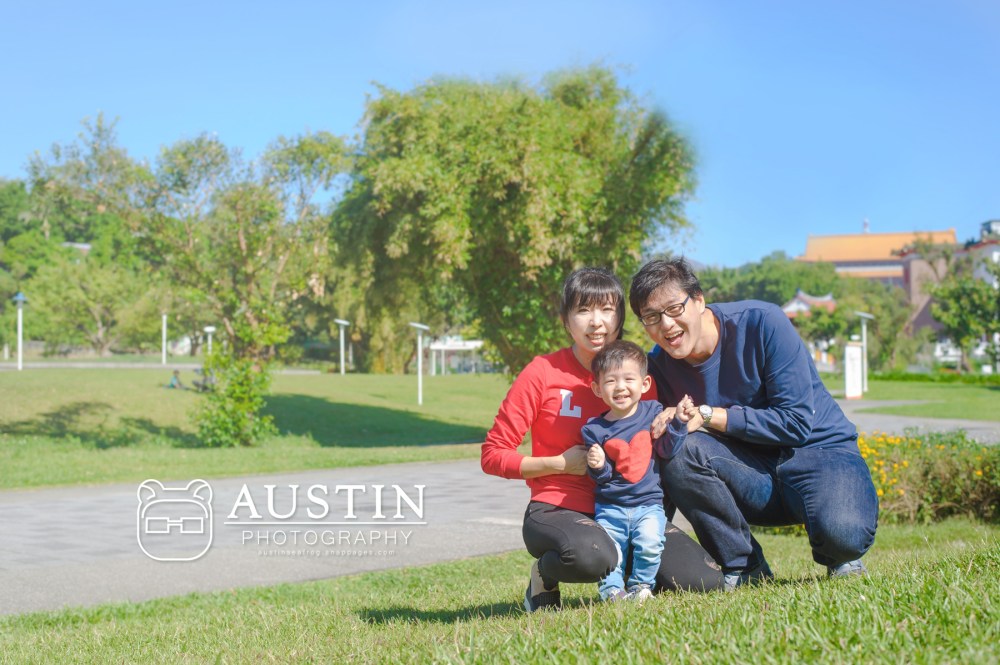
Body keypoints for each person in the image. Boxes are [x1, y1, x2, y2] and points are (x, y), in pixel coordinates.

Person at [481, 267, 723, 613]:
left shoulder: (638, 375)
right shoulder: (542, 373)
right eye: (583, 310)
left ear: (620, 318)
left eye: (607, 309)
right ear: (566, 321)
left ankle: (627, 569)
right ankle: (544, 574)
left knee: (704, 581)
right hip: (557, 508)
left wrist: (673, 419)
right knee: (592, 556)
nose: (597, 322)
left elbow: (660, 434)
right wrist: (560, 464)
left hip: (629, 508)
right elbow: (492, 455)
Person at [629, 257, 879, 591]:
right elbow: (657, 453)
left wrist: (705, 414)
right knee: (680, 448)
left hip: (819, 453)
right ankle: (746, 566)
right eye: (652, 317)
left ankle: (840, 554)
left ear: (699, 299)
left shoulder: (763, 322)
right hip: (750, 473)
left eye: (675, 308)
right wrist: (641, 549)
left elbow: (795, 423)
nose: (667, 325)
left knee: (843, 537)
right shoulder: (657, 367)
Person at [582, 340, 698, 603]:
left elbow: (667, 450)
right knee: (612, 551)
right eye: (610, 381)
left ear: (644, 384)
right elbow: (602, 478)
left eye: (628, 379)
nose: (620, 387)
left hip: (649, 504)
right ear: (597, 388)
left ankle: (641, 587)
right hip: (610, 506)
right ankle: (611, 590)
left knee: (650, 544)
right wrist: (598, 465)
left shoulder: (653, 412)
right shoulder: (594, 429)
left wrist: (679, 422)